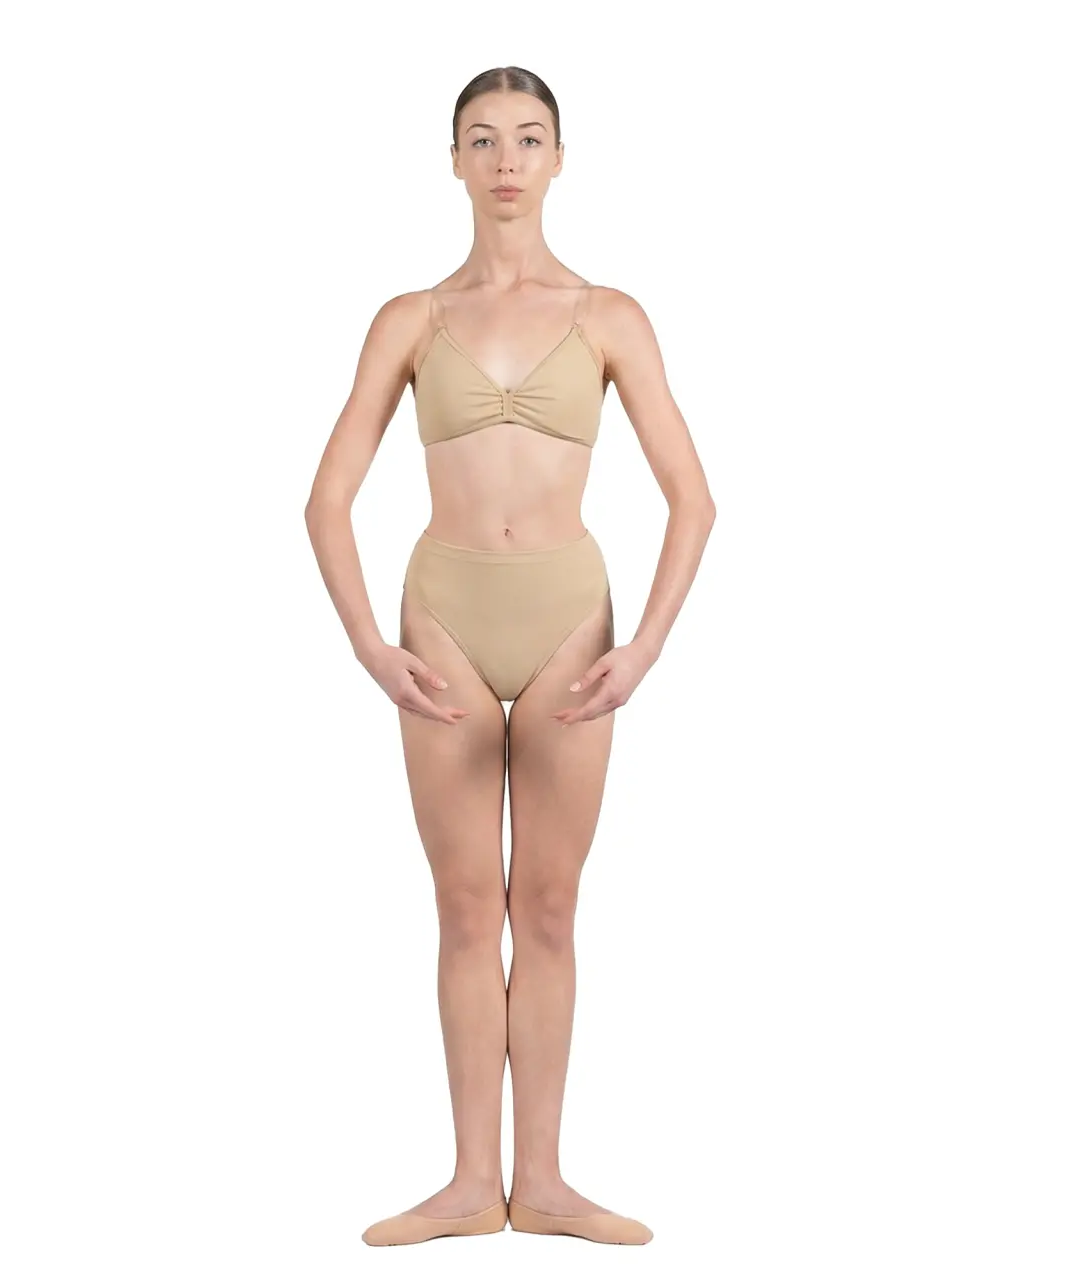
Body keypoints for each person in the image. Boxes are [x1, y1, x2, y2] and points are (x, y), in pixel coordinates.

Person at [304, 65, 716, 1247]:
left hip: (568, 624)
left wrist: (643, 647)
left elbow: (693, 499)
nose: (504, 161)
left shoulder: (608, 315)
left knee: (546, 902)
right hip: (439, 618)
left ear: (558, 160)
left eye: (527, 139)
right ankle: (465, 1180)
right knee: (459, 906)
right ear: (452, 161)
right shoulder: (408, 318)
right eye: (481, 139)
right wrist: (368, 643)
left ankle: (541, 1179)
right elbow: (325, 499)